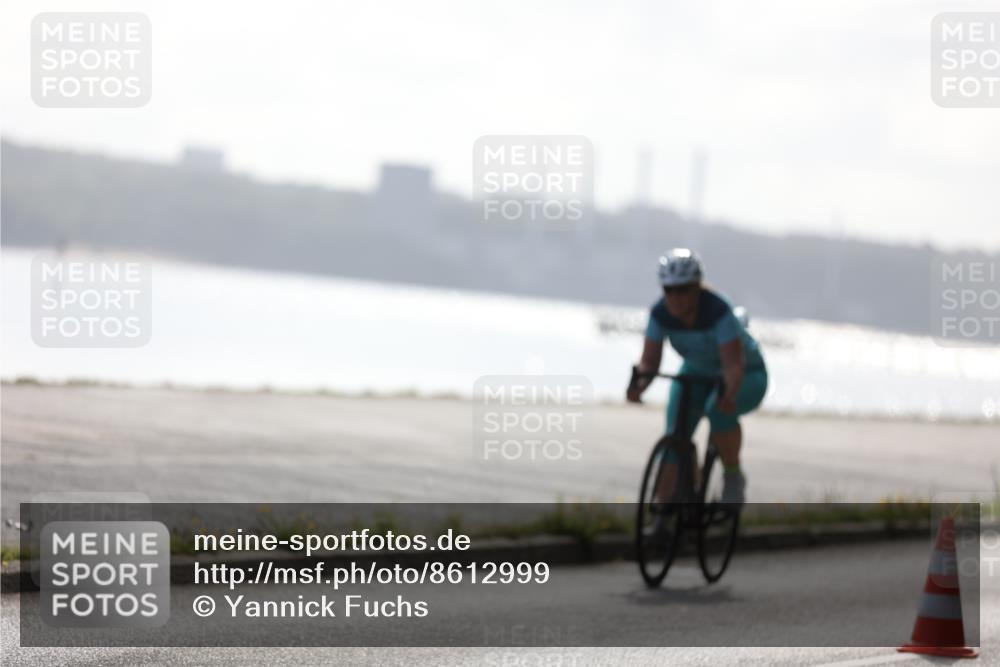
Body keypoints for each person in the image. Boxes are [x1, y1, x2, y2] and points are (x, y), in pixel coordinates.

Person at [626, 249, 767, 504]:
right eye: (669, 290)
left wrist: (729, 394)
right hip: (696, 372)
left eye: (684, 289)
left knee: (718, 410)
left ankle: (733, 477)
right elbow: (649, 362)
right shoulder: (660, 314)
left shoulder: (718, 310)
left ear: (697, 287)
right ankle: (664, 513)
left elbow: (734, 365)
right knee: (675, 434)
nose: (676, 297)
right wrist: (639, 386)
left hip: (746, 373)